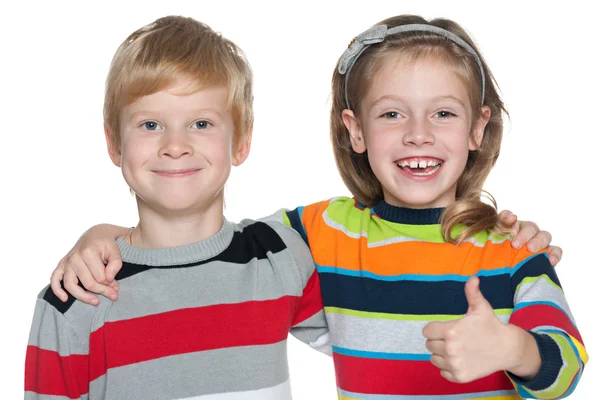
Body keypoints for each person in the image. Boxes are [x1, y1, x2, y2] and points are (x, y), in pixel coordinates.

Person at [49, 15, 579, 399]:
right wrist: (106, 234)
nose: (418, 135)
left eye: (442, 113)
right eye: (392, 114)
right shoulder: (321, 232)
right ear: (355, 130)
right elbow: (205, 243)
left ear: (477, 129)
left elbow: (567, 364)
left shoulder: (510, 249)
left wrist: (514, 351)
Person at [25, 16, 328, 400]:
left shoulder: (279, 257)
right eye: (150, 125)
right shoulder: (76, 299)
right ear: (114, 143)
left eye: (201, 123)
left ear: (242, 140)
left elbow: (379, 346)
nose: (175, 145)